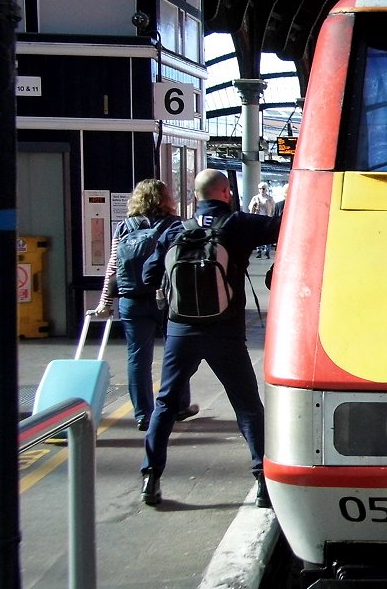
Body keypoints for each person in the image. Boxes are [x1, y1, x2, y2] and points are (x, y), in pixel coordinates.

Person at [138, 168, 281, 508]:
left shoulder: (176, 230)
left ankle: (151, 478)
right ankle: (262, 482)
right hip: (226, 332)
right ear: (226, 192)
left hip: (181, 332)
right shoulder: (237, 224)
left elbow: (147, 276)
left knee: (165, 404)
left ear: (196, 196)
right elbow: (285, 226)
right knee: (246, 406)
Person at [88, 179, 199, 431]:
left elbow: (113, 267)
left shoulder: (124, 227)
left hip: (130, 301)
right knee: (177, 355)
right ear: (166, 199)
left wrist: (105, 301)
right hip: (167, 300)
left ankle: (143, 415)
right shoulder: (174, 226)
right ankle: (179, 406)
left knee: (137, 358)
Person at [249, 181, 275, 257]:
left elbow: (273, 209)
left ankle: (267, 251)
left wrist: (272, 217)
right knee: (257, 235)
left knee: (267, 235)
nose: (262, 190)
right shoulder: (255, 198)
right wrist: (254, 206)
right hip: (258, 218)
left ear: (266, 189)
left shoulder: (270, 199)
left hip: (267, 219)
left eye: (263, 188)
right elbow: (250, 207)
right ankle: (259, 251)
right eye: (260, 188)